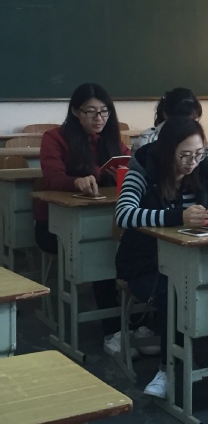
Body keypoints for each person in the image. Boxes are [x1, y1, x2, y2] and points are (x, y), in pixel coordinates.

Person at [115, 116, 208, 401]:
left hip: (195, 264)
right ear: (167, 151)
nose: (192, 161)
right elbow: (124, 214)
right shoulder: (143, 169)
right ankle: (167, 370)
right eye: (184, 155)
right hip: (147, 265)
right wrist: (177, 217)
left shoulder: (203, 169)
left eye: (198, 153)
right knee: (178, 293)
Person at [34, 82, 130, 355]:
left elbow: (131, 165)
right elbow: (52, 178)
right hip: (54, 225)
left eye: (104, 111)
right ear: (76, 112)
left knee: (132, 245)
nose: (99, 118)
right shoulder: (55, 138)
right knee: (102, 250)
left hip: (103, 220)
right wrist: (76, 181)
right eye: (91, 111)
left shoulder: (111, 139)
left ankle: (135, 323)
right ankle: (112, 330)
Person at [131, 87, 202, 152]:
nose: (186, 124)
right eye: (180, 119)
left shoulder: (198, 138)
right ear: (165, 114)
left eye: (192, 120)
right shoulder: (146, 141)